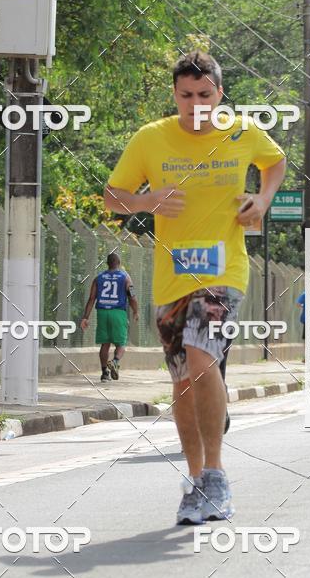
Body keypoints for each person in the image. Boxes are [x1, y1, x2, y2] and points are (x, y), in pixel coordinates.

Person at [103, 50, 286, 524]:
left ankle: (218, 475)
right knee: (183, 382)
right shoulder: (151, 139)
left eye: (205, 95)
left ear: (219, 94)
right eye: (187, 96)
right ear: (176, 95)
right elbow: (112, 197)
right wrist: (147, 200)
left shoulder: (242, 131)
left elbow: (275, 162)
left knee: (203, 358)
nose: (196, 104)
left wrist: (261, 200)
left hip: (225, 273)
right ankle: (197, 479)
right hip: (171, 278)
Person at [80, 253, 138, 382]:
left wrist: (85, 317)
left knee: (105, 344)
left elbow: (91, 298)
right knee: (121, 343)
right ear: (119, 263)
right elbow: (132, 296)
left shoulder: (98, 278)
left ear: (108, 263)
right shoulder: (125, 277)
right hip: (118, 312)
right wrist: (136, 311)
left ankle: (104, 373)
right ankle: (115, 361)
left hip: (102, 313)